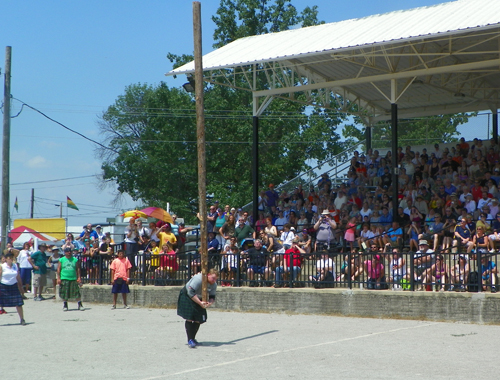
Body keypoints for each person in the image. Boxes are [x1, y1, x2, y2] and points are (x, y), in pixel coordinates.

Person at [177, 269, 218, 348]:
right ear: (208, 274)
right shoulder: (198, 279)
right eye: (213, 278)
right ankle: (190, 340)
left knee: (198, 319)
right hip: (187, 296)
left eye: (216, 279)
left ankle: (193, 338)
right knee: (189, 318)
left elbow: (212, 296)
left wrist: (209, 303)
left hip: (199, 298)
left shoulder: (214, 284)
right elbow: (190, 292)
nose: (214, 280)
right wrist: (200, 303)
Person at [0, 252, 26, 325]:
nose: (10, 259)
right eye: (9, 258)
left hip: (13, 285)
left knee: (19, 303)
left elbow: (18, 276)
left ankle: (22, 319)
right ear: (5, 259)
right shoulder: (2, 266)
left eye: (12, 258)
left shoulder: (15, 266)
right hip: (3, 286)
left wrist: (21, 286)